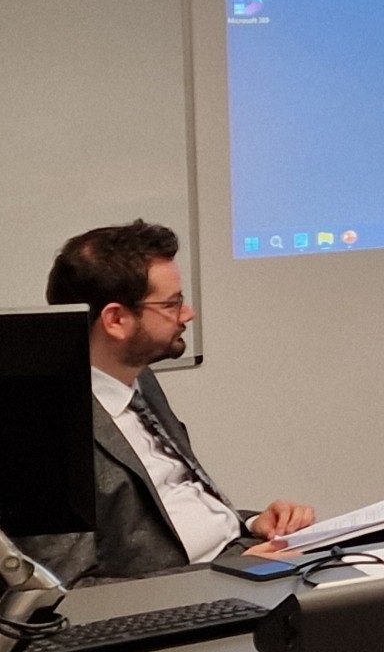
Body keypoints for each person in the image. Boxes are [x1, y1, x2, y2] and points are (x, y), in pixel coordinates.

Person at [19, 220, 315, 585]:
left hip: (239, 559)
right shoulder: (42, 429)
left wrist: (253, 523)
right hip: (190, 597)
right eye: (172, 303)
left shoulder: (139, 379)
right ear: (116, 320)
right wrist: (225, 574)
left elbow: (174, 507)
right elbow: (70, 589)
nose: (187, 313)